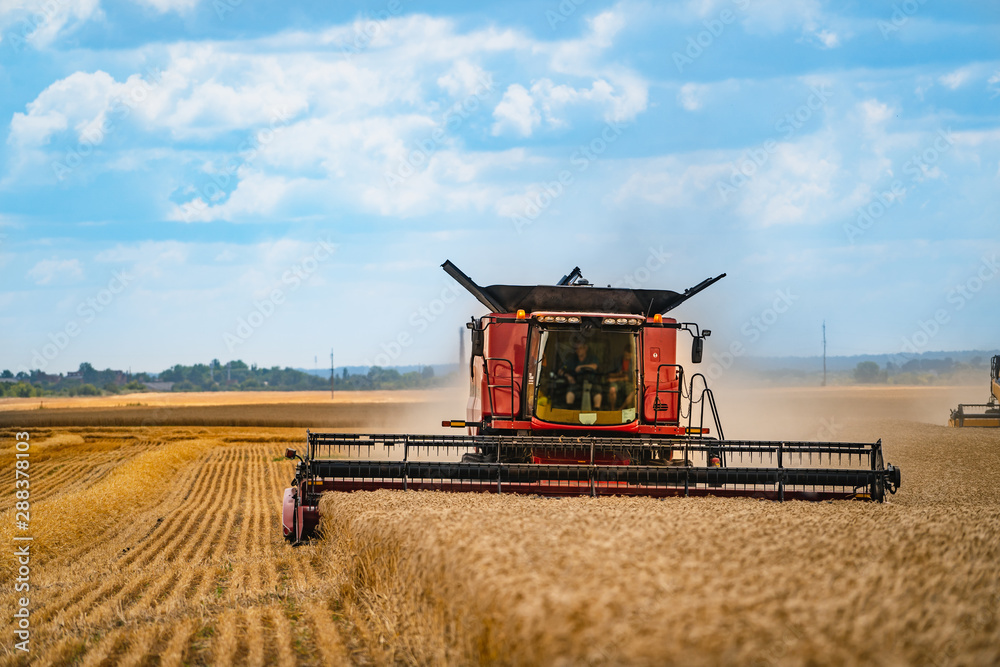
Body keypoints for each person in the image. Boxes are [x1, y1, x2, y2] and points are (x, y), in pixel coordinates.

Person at [560, 342, 602, 409]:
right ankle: (569, 412)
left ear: (586, 348)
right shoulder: (572, 359)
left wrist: (581, 367)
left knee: (598, 394)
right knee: (570, 393)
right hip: (577, 383)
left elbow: (594, 366)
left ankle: (597, 411)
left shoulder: (592, 357)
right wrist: (568, 376)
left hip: (591, 383)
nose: (578, 350)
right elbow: (561, 370)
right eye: (576, 348)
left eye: (580, 348)